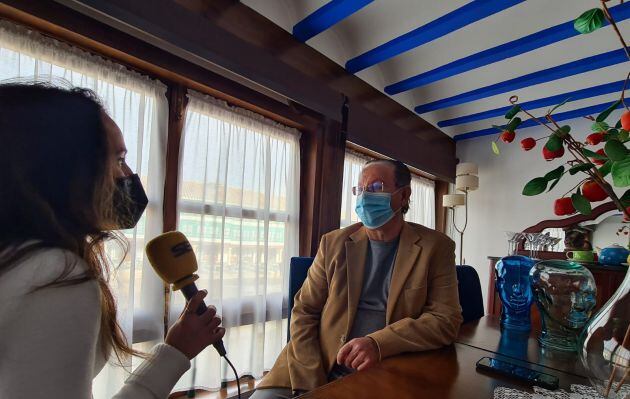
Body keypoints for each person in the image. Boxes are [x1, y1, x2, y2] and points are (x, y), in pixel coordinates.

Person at [0, 83, 225, 398]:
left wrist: (176, 350)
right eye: (118, 159)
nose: (129, 174)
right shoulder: (54, 277)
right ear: (64, 169)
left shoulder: (18, 261)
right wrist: (175, 354)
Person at [251, 159, 463, 398]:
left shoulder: (435, 247)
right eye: (360, 190)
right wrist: (313, 383)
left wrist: (378, 343)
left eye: (375, 188)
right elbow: (304, 311)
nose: (364, 197)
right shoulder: (333, 243)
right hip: (311, 364)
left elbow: (446, 319)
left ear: (403, 196)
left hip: (385, 370)